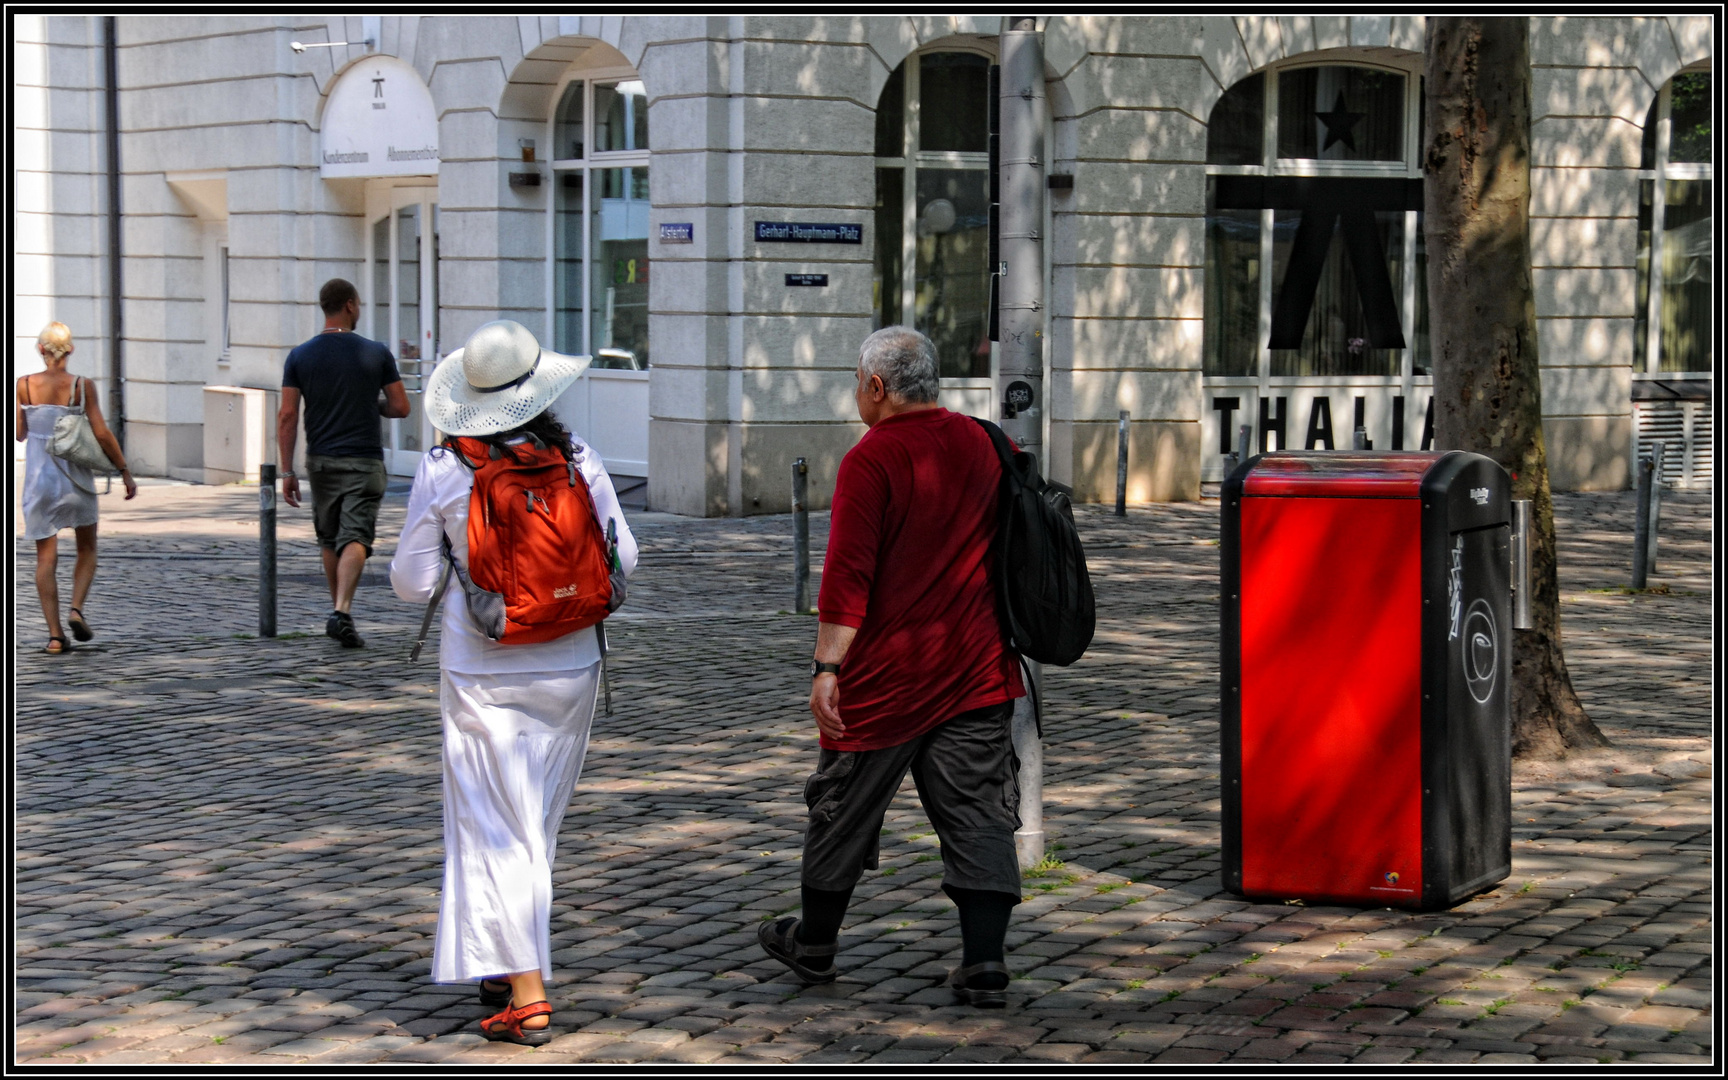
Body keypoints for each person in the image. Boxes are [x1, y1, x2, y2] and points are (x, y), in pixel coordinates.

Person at [757, 326, 1027, 1007]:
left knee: (842, 807)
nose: (856, 393)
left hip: (885, 680)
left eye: (857, 381)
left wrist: (826, 668)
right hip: (975, 668)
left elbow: (848, 578)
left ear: (877, 388)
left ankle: (814, 943)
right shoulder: (988, 443)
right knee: (978, 813)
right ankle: (985, 963)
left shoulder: (873, 458)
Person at [391, 320, 637, 1045]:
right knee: (533, 829)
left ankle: (525, 994)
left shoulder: (445, 470)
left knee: (498, 830)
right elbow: (628, 557)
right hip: (571, 666)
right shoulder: (577, 457)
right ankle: (501, 963)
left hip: (482, 671)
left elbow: (413, 583)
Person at [276, 278, 410, 648]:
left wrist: (287, 471)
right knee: (356, 537)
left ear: (325, 307)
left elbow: (287, 415)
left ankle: (338, 611)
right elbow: (401, 407)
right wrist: (370, 405)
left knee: (329, 536)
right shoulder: (375, 352)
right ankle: (342, 611)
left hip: (320, 460)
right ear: (350, 305)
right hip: (363, 460)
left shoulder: (300, 356)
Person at [16, 322, 138, 654]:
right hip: (75, 480)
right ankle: (76, 608)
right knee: (87, 548)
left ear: (40, 349)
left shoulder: (23, 385)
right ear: (70, 350)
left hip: (39, 482)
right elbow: (101, 433)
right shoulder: (82, 387)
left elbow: (19, 434)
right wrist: (124, 470)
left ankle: (55, 637)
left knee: (45, 557)